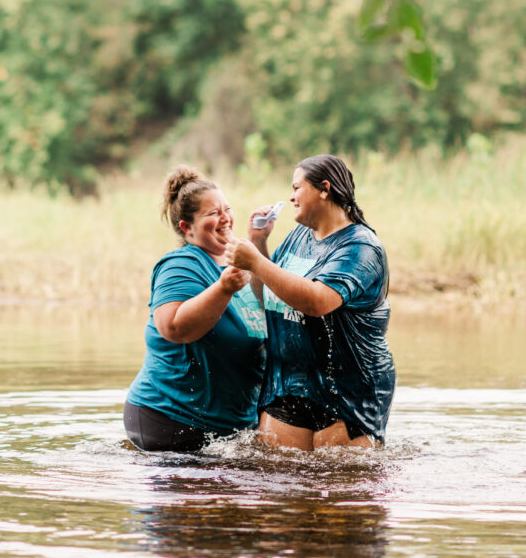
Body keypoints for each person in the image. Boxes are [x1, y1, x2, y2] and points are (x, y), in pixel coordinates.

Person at [224, 154, 396, 450]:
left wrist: (254, 260)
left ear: (324, 189)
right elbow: (268, 296)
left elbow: (318, 301)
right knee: (279, 481)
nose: (290, 198)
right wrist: (259, 244)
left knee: (339, 485)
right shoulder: (299, 237)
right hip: (287, 384)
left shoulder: (361, 247)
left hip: (347, 393)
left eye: (296, 188)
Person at [124, 166, 267, 452]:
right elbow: (173, 328)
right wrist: (223, 288)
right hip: (171, 421)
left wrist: (259, 244)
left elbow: (268, 306)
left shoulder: (234, 264)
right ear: (186, 228)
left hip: (226, 429)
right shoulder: (180, 265)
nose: (225, 218)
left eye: (227, 209)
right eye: (212, 213)